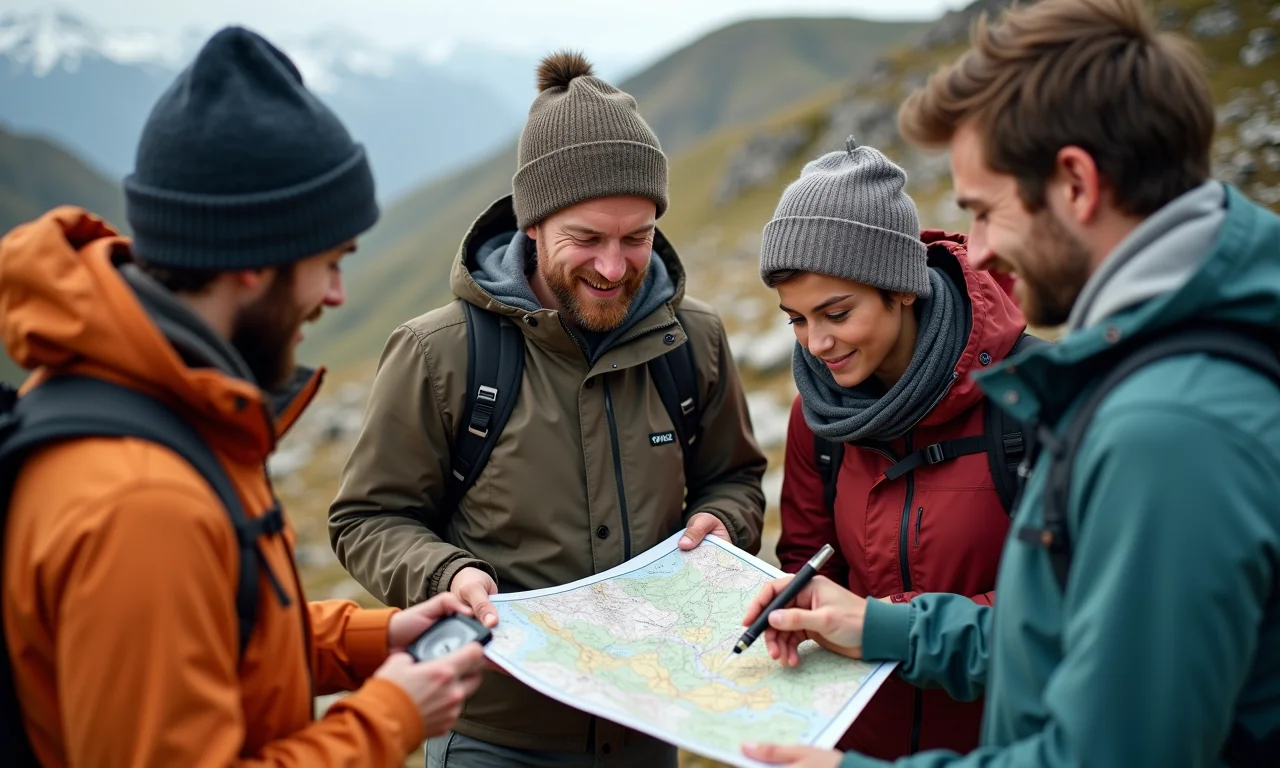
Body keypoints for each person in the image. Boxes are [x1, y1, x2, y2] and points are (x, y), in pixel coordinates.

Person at [734, 0, 1280, 766]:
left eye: (985, 212)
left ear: (1076, 184)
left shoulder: (1171, 427)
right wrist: (883, 627)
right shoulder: (1158, 370)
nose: (978, 254)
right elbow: (1063, 632)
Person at [0, 27, 489, 767]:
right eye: (327, 262)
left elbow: (212, 635)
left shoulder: (146, 396)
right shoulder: (142, 505)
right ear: (255, 265)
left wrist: (369, 637)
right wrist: (389, 717)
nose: (335, 293)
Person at [327, 51, 767, 767]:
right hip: (494, 737)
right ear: (531, 225)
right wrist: (447, 576)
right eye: (586, 239)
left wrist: (724, 525)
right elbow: (365, 518)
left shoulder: (696, 342)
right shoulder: (440, 354)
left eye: (637, 237)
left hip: (650, 721)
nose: (615, 266)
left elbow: (736, 480)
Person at [759, 140, 1027, 760]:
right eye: (795, 319)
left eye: (836, 312)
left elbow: (1062, 614)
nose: (816, 343)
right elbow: (810, 559)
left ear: (901, 287)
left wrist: (886, 625)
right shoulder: (817, 417)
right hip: (856, 745)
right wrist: (794, 601)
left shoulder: (1026, 402)